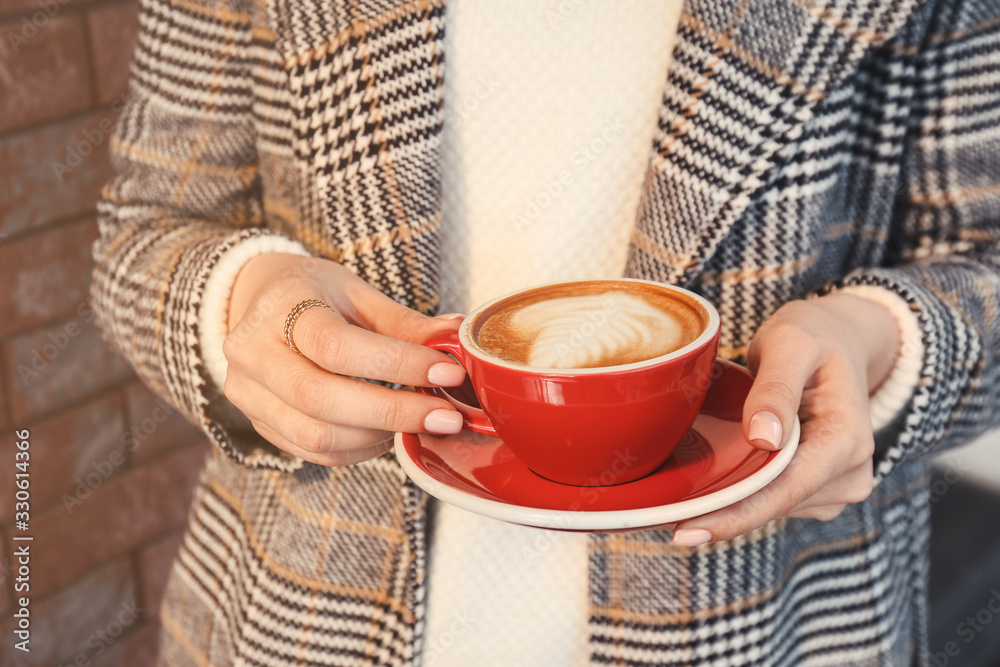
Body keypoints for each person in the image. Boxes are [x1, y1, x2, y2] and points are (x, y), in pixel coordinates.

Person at [90, 0, 999, 664]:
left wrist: (877, 337)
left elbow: (985, 261)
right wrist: (239, 308)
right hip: (304, 615)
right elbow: (146, 223)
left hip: (779, 621)